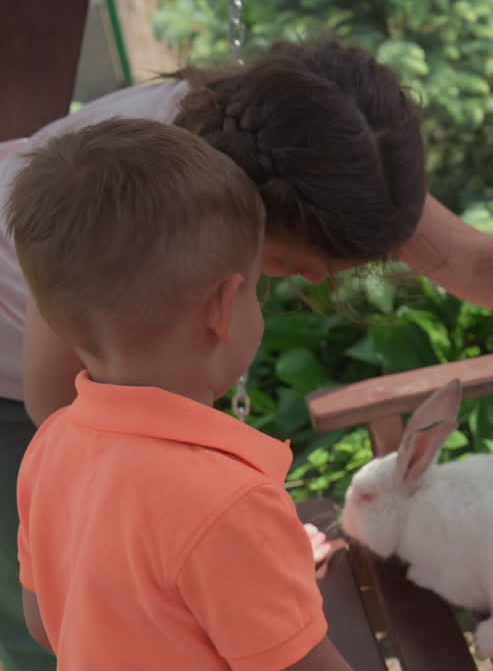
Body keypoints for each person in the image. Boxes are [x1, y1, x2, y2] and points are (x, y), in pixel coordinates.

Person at [0, 40, 493, 667]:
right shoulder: (108, 215)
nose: (310, 286)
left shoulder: (306, 146)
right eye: (292, 273)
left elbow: (466, 259)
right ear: (224, 290)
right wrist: (216, 548)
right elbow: (57, 414)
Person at [8, 118, 353, 669]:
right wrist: (257, 573)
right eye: (256, 293)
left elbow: (46, 624)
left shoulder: (49, 447)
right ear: (223, 307)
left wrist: (255, 576)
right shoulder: (229, 504)